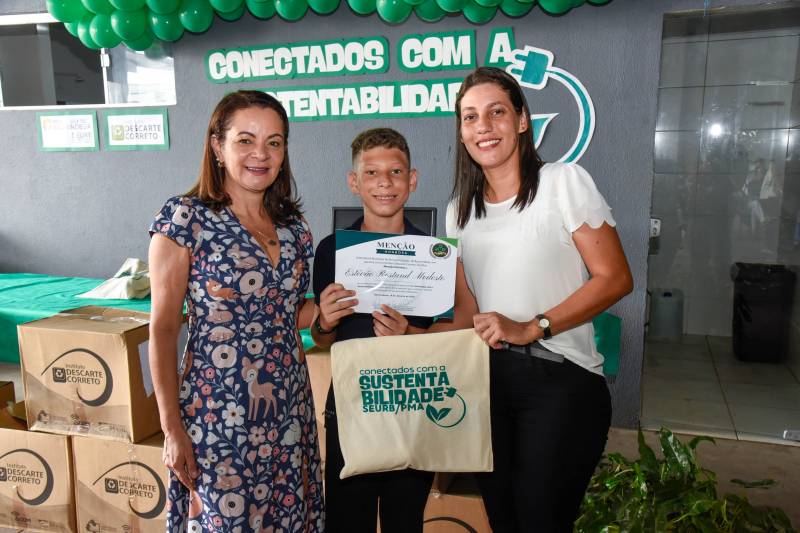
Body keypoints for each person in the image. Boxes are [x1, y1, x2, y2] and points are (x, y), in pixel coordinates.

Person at [446, 66, 633, 532]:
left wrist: (534, 325)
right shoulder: (458, 211)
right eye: (470, 117)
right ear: (462, 132)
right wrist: (406, 333)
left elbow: (614, 278)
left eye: (496, 112)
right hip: (488, 384)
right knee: (503, 519)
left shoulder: (562, 182)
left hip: (559, 380)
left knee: (541, 520)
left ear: (522, 119)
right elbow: (469, 313)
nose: (483, 126)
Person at [148, 90, 324, 532]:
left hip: (289, 412)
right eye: (245, 140)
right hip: (217, 416)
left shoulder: (294, 227)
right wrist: (172, 429)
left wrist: (325, 309)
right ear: (217, 147)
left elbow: (286, 311)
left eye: (274, 142)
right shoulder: (185, 220)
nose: (260, 154)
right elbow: (164, 329)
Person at [310, 128, 438, 533]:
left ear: (413, 180)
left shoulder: (433, 255)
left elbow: (448, 340)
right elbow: (323, 339)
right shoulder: (331, 250)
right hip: (350, 404)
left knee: (405, 521)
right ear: (354, 182)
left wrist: (408, 337)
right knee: (347, 521)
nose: (385, 182)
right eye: (371, 173)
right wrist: (325, 321)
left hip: (411, 405)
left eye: (396, 171)